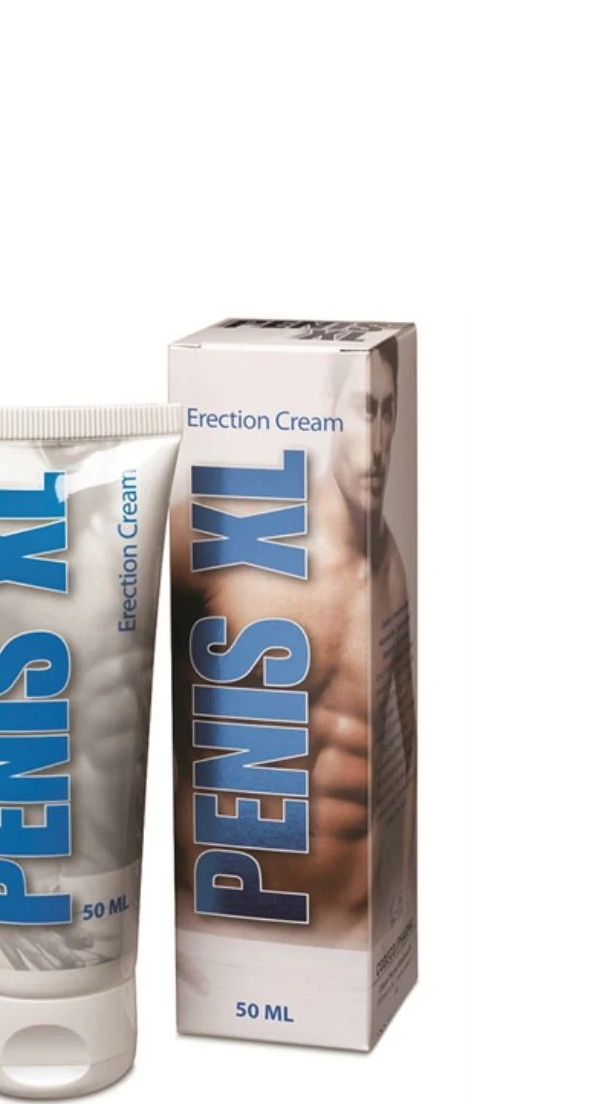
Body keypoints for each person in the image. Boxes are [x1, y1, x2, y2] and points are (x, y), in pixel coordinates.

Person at [171, 339, 415, 946]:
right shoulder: (230, 528)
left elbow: (405, 772)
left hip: (347, 939)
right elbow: (97, 605)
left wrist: (398, 918)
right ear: (330, 406)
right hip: (217, 928)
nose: (378, 441)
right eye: (364, 408)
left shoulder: (390, 572)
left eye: (390, 412)